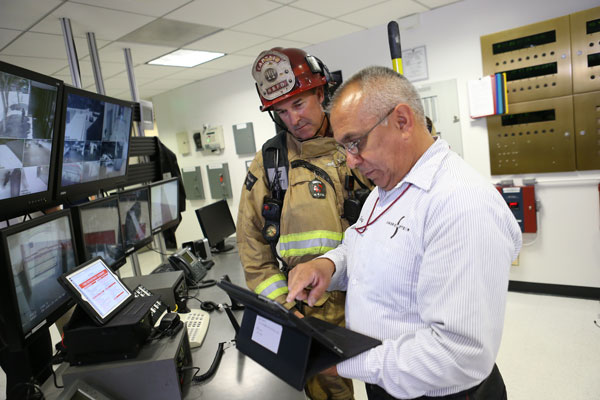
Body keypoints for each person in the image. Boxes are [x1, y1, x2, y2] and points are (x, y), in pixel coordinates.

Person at [286, 66, 522, 400]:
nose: (351, 161)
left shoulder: (461, 205)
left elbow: (459, 355)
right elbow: (362, 245)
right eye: (344, 148)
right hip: (389, 379)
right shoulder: (386, 188)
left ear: (402, 121)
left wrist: (340, 363)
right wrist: (329, 266)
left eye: (355, 142)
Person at [237, 47, 371, 400]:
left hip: (375, 298)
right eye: (281, 111)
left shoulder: (363, 142)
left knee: (393, 384)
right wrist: (287, 307)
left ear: (320, 93)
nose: (292, 119)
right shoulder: (269, 164)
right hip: (313, 310)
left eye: (298, 104)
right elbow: (252, 248)